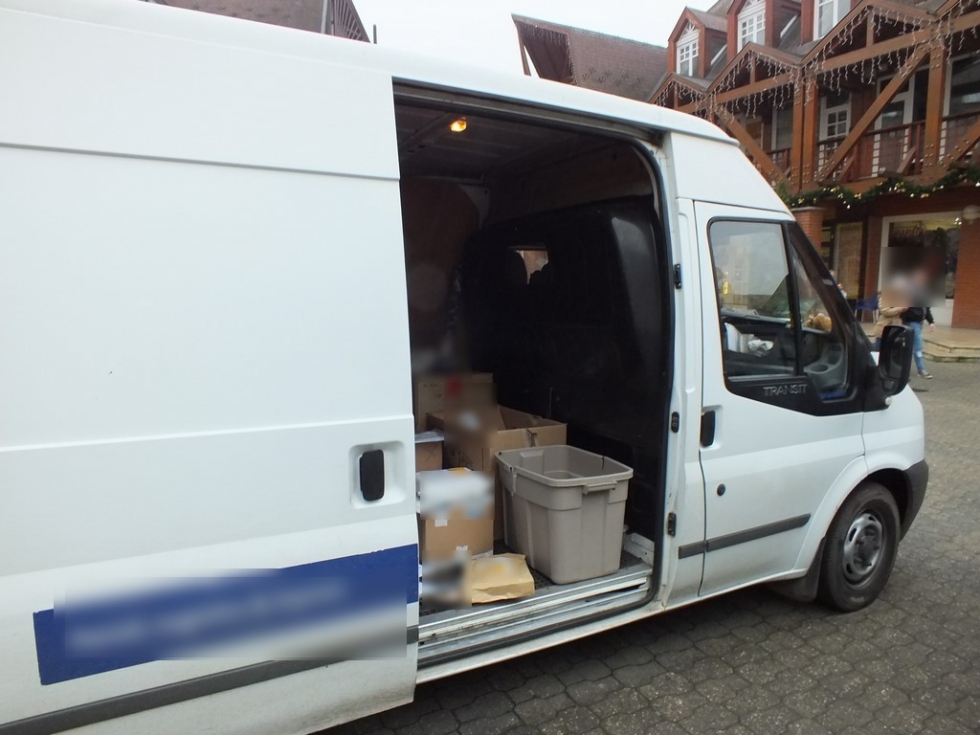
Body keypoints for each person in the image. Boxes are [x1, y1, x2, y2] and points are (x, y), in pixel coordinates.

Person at [902, 268, 936, 380]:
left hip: (919, 323)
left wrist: (931, 322)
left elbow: (926, 309)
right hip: (912, 323)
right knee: (918, 346)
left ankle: (905, 369)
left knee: (911, 347)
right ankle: (921, 369)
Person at [872, 280, 908, 352]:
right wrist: (901, 308)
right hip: (884, 327)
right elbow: (885, 311)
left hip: (896, 327)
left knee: (891, 351)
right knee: (878, 351)